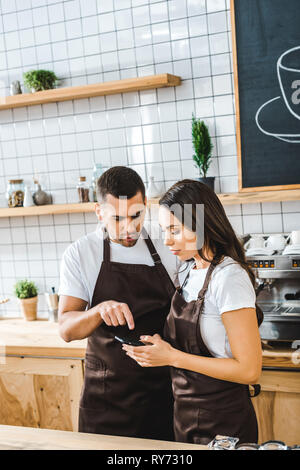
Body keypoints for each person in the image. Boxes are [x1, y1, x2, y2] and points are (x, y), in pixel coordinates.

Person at [122, 179, 262, 445]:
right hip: (184, 418)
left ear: (201, 224)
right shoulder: (188, 270)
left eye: (174, 230)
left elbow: (249, 370)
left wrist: (173, 357)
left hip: (225, 424)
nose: (167, 240)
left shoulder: (229, 277)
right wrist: (160, 349)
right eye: (164, 230)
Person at [58, 166, 177, 440]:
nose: (129, 228)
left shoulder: (168, 247)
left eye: (137, 216)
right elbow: (66, 329)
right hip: (107, 402)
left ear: (146, 205)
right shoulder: (81, 253)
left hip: (165, 396)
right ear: (99, 212)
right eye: (117, 219)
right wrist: (98, 311)